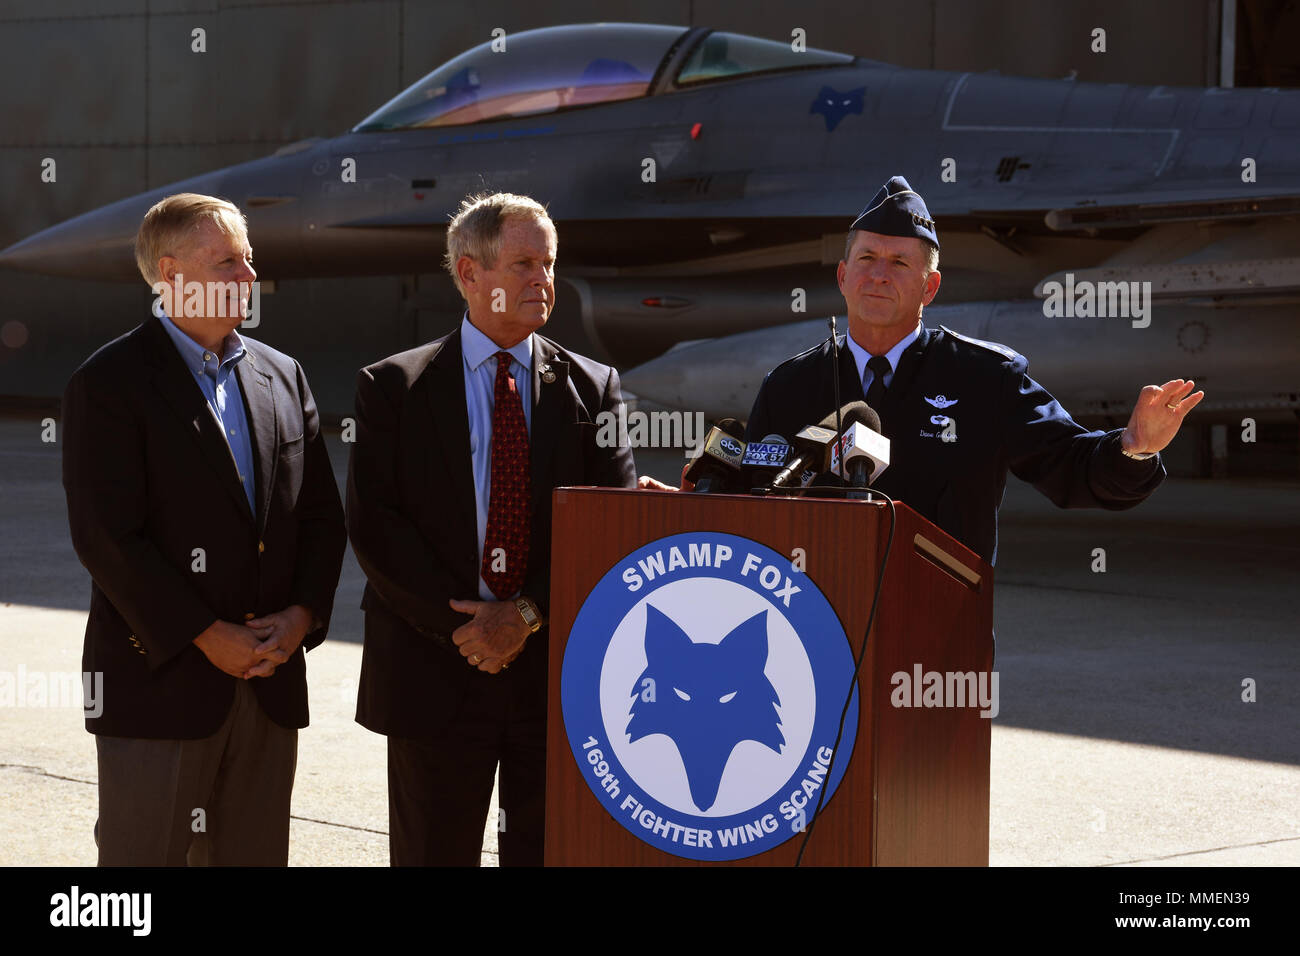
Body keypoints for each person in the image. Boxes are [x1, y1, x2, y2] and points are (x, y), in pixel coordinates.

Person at [347, 191, 637, 866]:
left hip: (553, 678)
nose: (542, 280)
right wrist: (473, 629)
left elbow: (610, 526)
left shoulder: (593, 390)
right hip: (433, 670)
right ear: (469, 274)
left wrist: (526, 614)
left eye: (549, 264)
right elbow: (377, 528)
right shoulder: (391, 388)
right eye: (524, 263)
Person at [62, 193, 347, 866]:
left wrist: (302, 616)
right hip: (159, 687)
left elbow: (320, 517)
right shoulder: (108, 383)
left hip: (270, 685)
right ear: (171, 273)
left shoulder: (284, 376)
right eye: (227, 263)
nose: (249, 278)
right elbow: (107, 538)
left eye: (249, 260)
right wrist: (204, 634)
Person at [744, 175, 1204, 566]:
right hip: (810, 631)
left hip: (940, 635)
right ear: (843, 277)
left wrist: (1134, 448)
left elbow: (1070, 465)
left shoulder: (985, 379)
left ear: (931, 287)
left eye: (900, 262)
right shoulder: (791, 386)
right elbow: (744, 506)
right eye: (867, 259)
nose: (879, 275)